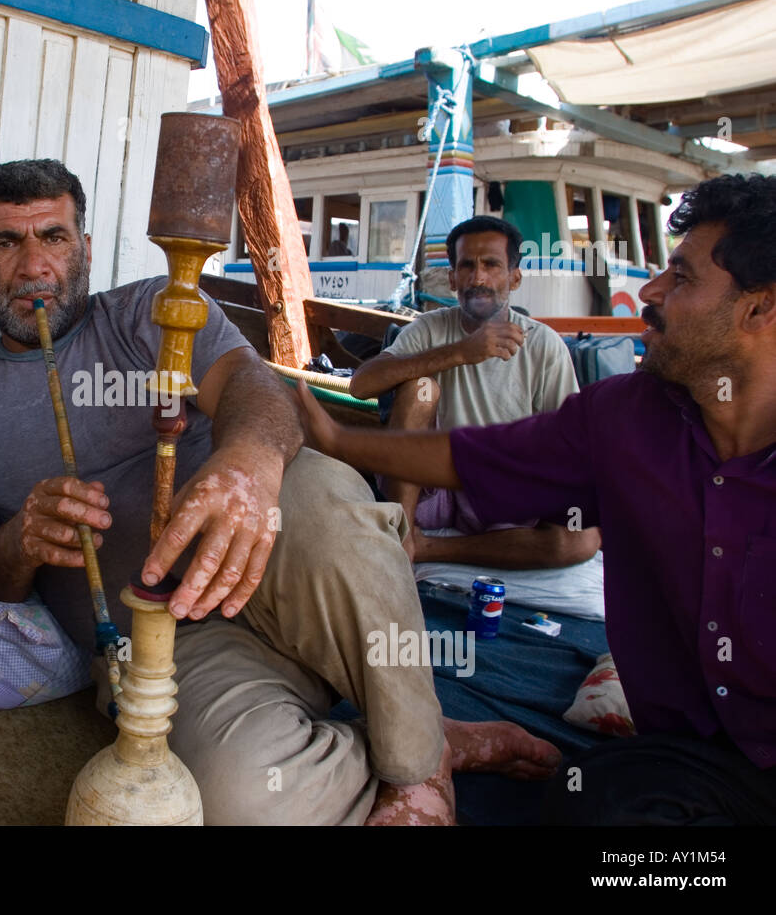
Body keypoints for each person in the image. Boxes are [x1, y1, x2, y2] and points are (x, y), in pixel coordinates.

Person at [0, 158, 560, 826]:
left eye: (54, 237)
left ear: (86, 249)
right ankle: (423, 737)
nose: (34, 265)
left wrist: (245, 463)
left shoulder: (150, 309)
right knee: (241, 799)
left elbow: (254, 390)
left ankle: (419, 778)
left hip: (280, 557)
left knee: (332, 499)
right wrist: (17, 546)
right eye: (6, 243)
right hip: (171, 645)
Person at [296, 173, 776, 824]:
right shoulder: (628, 416)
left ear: (757, 309)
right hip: (687, 763)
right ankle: (410, 547)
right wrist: (340, 439)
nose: (651, 294)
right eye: (465, 264)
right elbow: (486, 456)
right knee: (583, 799)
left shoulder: (546, 348)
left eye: (682, 279)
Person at [348, 215, 600, 569]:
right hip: (435, 485)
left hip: (506, 491)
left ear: (515, 276)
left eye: (491, 265)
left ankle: (427, 548)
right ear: (452, 278)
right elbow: (361, 384)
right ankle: (402, 533)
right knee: (420, 390)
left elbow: (568, 441)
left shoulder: (543, 344)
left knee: (582, 537)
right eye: (466, 265)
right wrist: (459, 353)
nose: (478, 278)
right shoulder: (431, 328)